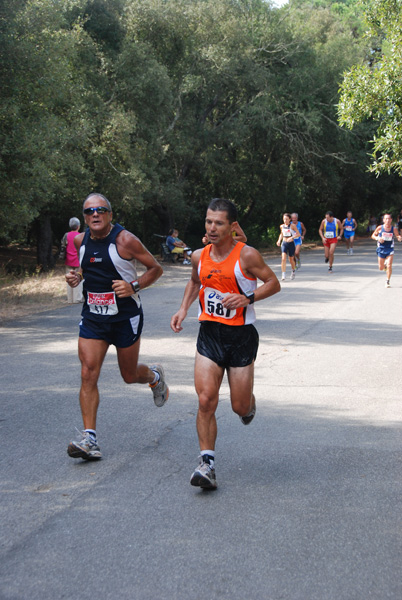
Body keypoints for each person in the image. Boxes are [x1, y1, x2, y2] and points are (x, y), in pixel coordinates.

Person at [170, 198, 280, 489]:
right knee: (206, 400)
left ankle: (249, 405)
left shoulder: (247, 256)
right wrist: (183, 309)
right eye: (209, 221)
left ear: (233, 227)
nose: (212, 227)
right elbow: (195, 281)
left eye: (219, 223)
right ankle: (207, 465)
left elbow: (273, 282)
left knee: (239, 407)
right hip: (210, 334)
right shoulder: (199, 256)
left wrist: (247, 298)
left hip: (241, 337)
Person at [66, 193, 169, 461]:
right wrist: (77, 276)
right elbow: (89, 266)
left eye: (100, 210)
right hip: (93, 317)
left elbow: (155, 269)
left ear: (110, 214)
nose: (95, 215)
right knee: (88, 372)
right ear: (85, 217)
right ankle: (90, 439)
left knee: (129, 374)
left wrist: (133, 285)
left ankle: (154, 377)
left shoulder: (125, 240)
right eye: (89, 212)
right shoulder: (80, 240)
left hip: (125, 317)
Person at [371, 213, 402, 288]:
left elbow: (397, 235)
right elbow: (373, 235)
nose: (387, 220)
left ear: (391, 220)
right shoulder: (379, 228)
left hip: (390, 249)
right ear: (383, 220)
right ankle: (384, 265)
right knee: (381, 268)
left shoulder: (393, 229)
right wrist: (378, 238)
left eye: (389, 219)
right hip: (381, 248)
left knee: (389, 265)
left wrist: (399, 238)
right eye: (386, 219)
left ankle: (387, 281)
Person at [60, 218, 84, 303]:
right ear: (78, 226)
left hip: (68, 260)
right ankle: (77, 298)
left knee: (69, 279)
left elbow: (63, 246)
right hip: (78, 261)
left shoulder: (66, 235)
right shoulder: (80, 236)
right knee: (78, 278)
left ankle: (70, 299)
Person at [276, 213, 300, 281]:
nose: (285, 220)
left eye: (286, 219)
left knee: (291, 259)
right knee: (283, 258)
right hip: (284, 243)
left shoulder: (292, 226)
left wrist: (292, 237)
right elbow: (281, 233)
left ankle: (293, 270)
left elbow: (298, 234)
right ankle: (283, 274)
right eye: (284, 219)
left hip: (291, 243)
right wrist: (279, 241)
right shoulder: (282, 226)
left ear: (290, 219)